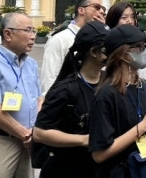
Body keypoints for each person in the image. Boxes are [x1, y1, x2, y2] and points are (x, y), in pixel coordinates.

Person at [89, 25, 146, 177]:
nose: (144, 51)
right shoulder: (107, 95)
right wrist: (144, 125)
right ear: (122, 54)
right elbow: (99, 155)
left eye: (145, 46)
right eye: (138, 47)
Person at [33, 21, 108, 177]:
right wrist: (83, 140)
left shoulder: (108, 83)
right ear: (94, 52)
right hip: (66, 169)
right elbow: (40, 133)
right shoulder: (66, 89)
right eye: (108, 49)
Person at [0, 11, 42, 177]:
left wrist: (33, 133)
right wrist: (26, 135)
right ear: (8, 34)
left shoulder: (31, 64)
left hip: (27, 142)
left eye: (34, 31)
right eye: (28, 30)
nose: (33, 36)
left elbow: (38, 99)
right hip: (0, 141)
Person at [40, 0, 105, 96]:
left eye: (102, 9)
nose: (101, 11)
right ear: (81, 10)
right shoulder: (59, 40)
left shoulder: (100, 39)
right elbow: (50, 78)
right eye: (96, 7)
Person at [106, 1, 146, 80]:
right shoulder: (111, 49)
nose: (130, 21)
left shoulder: (143, 52)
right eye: (124, 18)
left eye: (132, 17)